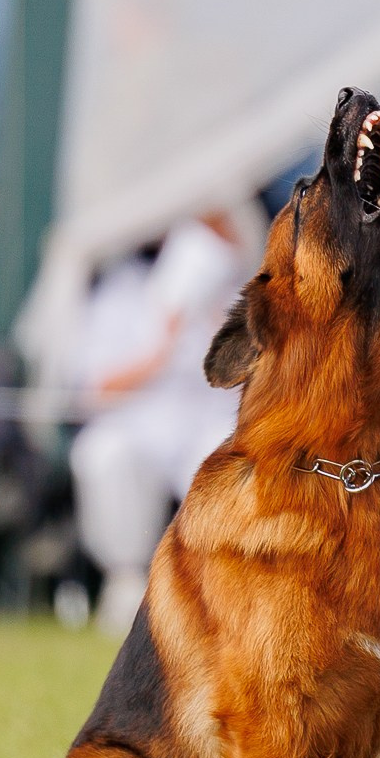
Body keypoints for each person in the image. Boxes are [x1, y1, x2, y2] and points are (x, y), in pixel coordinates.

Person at [68, 213, 250, 634]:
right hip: (140, 424)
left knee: (235, 463)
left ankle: (220, 595)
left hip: (207, 426)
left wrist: (215, 324)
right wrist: (161, 346)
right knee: (105, 454)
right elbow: (92, 389)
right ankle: (127, 581)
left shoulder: (235, 298)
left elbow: (249, 381)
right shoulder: (121, 292)